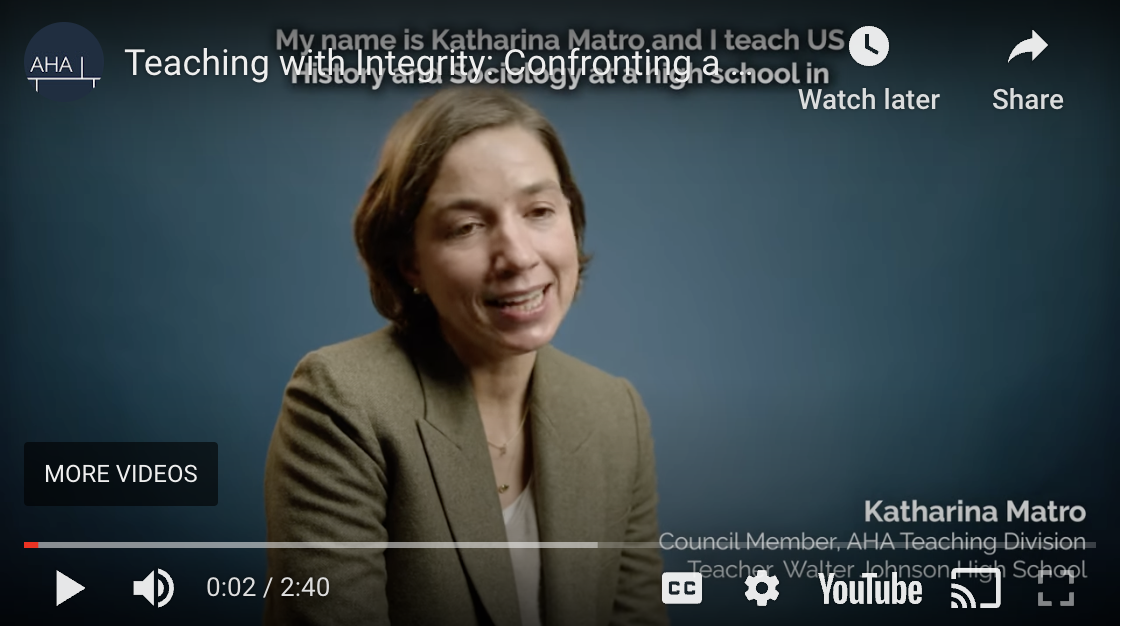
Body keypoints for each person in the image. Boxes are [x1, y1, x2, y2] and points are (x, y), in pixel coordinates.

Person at [264, 87, 667, 626]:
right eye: (467, 227)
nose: (519, 256)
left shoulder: (616, 413)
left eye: (539, 210)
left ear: (571, 217)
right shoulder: (339, 402)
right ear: (410, 262)